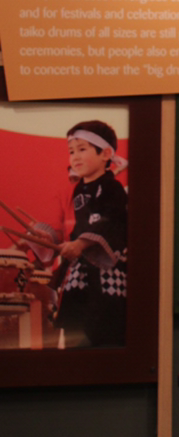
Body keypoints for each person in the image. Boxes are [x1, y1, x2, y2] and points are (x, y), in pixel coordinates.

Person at [28, 119, 128, 348]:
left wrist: (81, 244)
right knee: (75, 336)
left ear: (106, 154)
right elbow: (75, 231)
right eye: (72, 151)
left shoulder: (112, 188)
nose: (75, 157)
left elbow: (111, 222)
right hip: (79, 275)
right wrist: (49, 240)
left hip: (105, 276)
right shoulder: (79, 190)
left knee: (100, 338)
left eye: (82, 149)